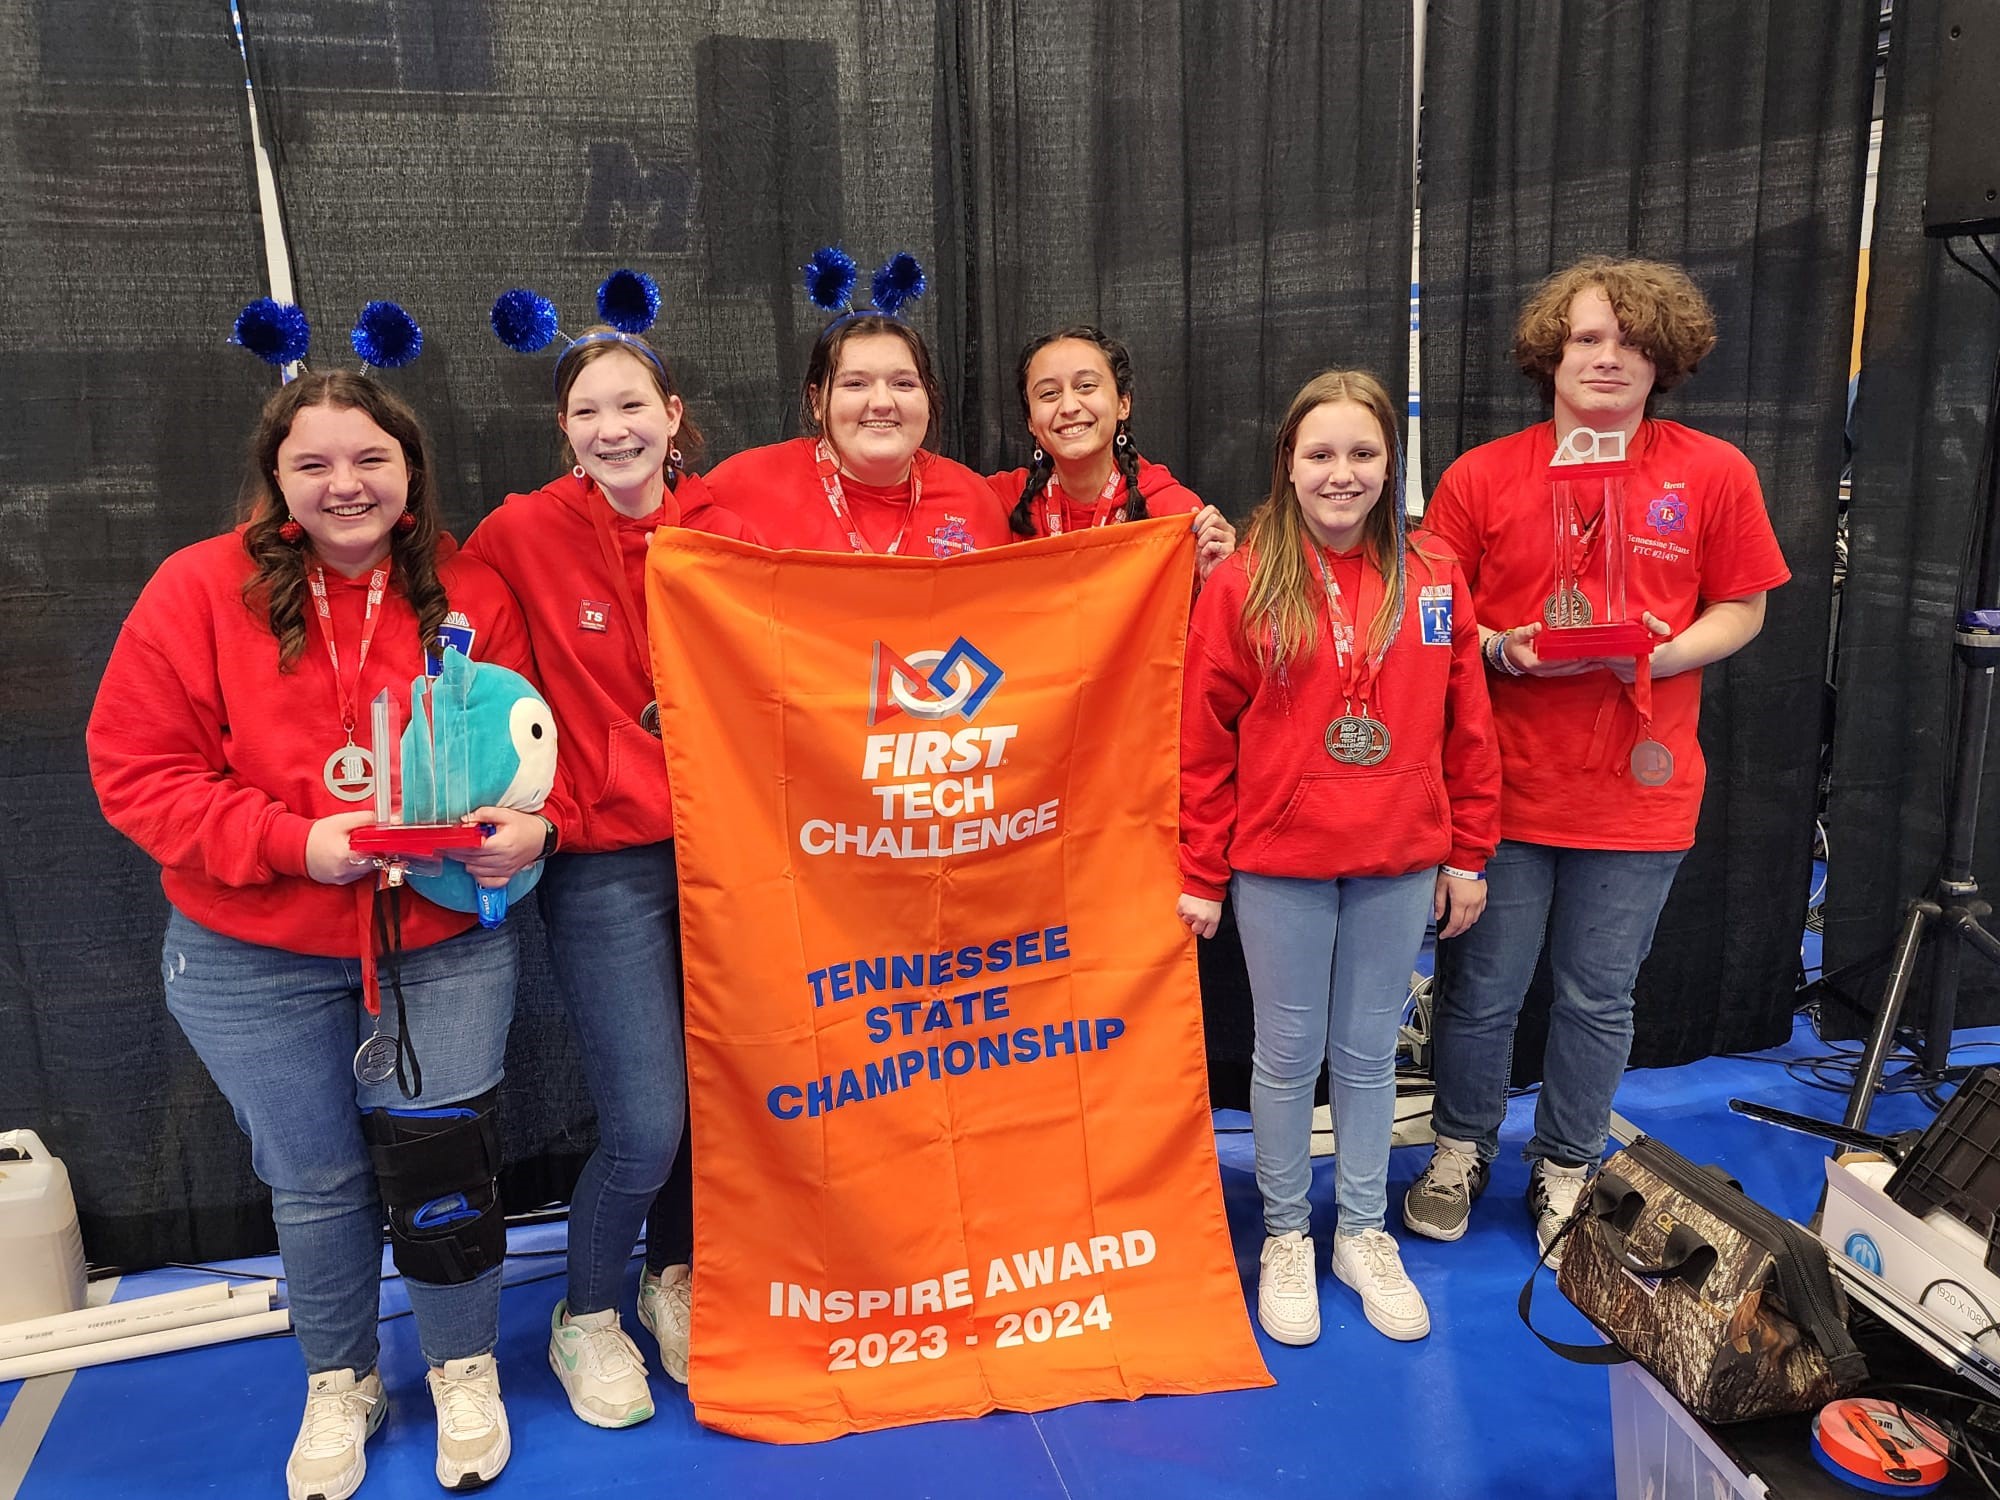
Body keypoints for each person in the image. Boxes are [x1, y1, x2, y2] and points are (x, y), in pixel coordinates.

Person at [88, 369, 558, 1499]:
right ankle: (340, 1376)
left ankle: (457, 1367)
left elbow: (545, 754)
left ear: (409, 473)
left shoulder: (474, 585)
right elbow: (136, 775)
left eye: (369, 461)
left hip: (439, 944)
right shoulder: (195, 589)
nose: (344, 485)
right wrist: (296, 845)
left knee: (444, 1168)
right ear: (276, 479)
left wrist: (533, 832)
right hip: (251, 956)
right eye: (314, 465)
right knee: (311, 1186)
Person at [1401, 256, 1790, 1263]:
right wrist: (1496, 647)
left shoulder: (1712, 473)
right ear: (1549, 355)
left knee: (1595, 994)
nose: (1606, 357)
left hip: (1637, 788)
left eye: (1629, 342)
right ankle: (1458, 1147)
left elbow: (1742, 607)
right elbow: (1432, 613)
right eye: (1585, 338)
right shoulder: (1480, 476)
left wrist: (1659, 654)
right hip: (1504, 788)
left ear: (1663, 360)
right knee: (1480, 992)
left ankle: (1566, 1161)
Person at [464, 321, 750, 1425]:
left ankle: (667, 1277)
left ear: (672, 416)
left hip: (737, 855)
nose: (611, 427)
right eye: (587, 411)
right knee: (646, 1119)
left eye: (631, 404)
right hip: (604, 866)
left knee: (720, 1096)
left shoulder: (730, 524)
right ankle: (584, 1318)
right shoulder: (520, 534)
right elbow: (437, 616)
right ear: (563, 431)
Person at [1178, 370, 1499, 1345]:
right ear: (1286, 463)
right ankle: (1284, 1235)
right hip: (1279, 859)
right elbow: (1199, 734)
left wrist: (1469, 851)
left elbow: (1467, 724)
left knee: (1365, 1057)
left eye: (1361, 454)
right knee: (1284, 1056)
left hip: (1400, 856)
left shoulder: (1433, 574)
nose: (1340, 473)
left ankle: (1360, 1230)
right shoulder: (1245, 578)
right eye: (1319, 453)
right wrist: (1198, 871)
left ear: (1388, 465)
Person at [702, 311, 1013, 554]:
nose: (881, 402)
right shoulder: (739, 488)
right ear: (817, 402)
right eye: (855, 384)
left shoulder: (975, 501)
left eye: (903, 383)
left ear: (928, 397)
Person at [990, 324, 1236, 577]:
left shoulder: (1174, 513)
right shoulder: (997, 502)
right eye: (1049, 393)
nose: (1069, 407)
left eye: (1085, 386)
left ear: (1123, 404)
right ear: (1031, 421)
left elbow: (1203, 614)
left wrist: (1218, 578)